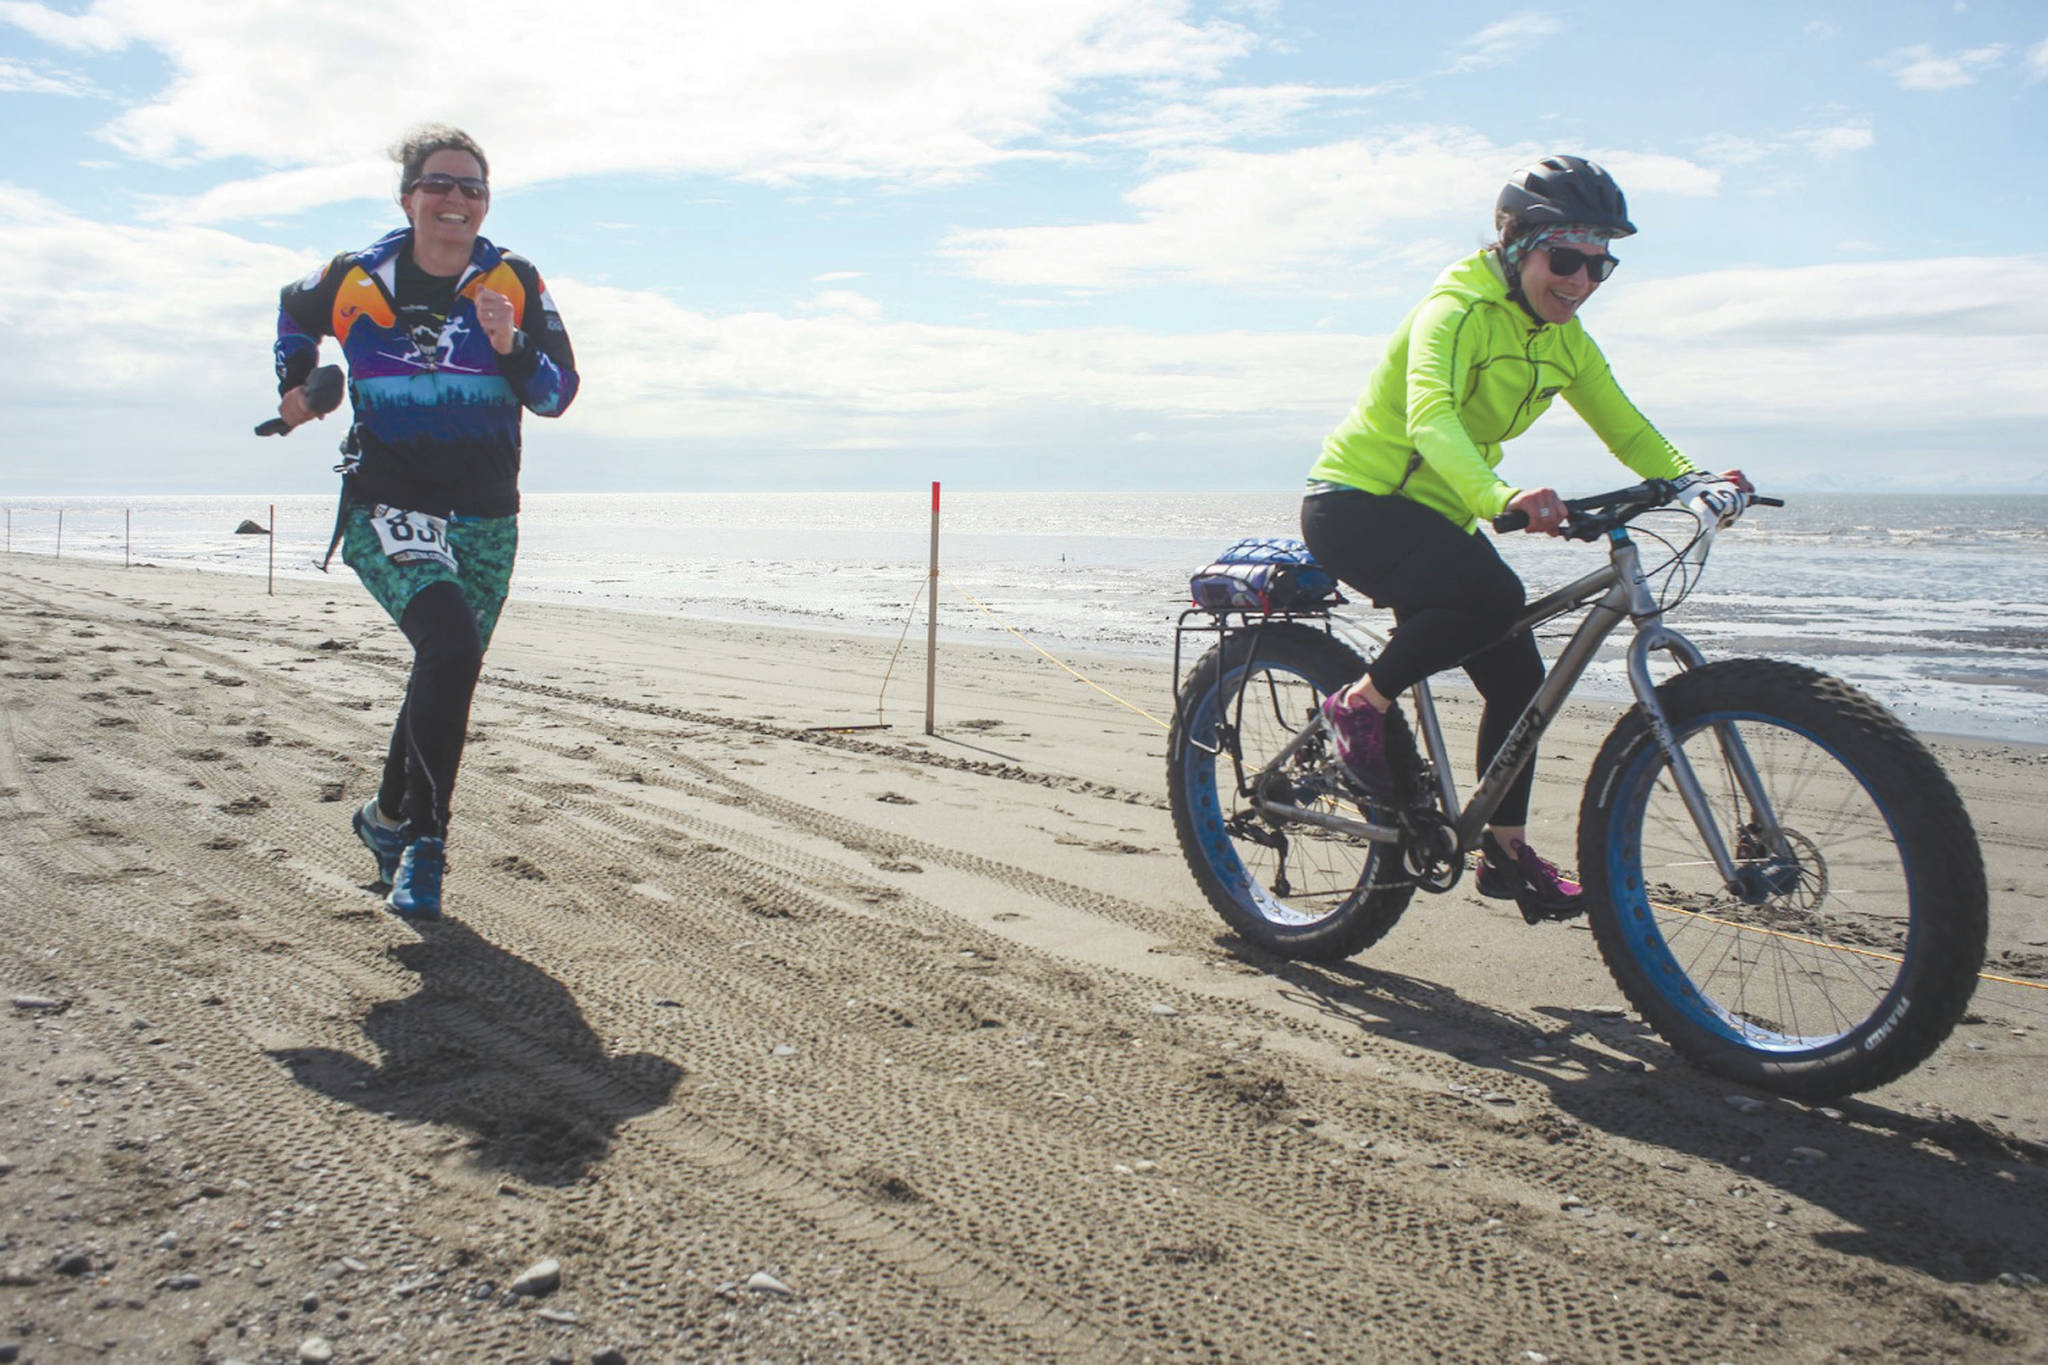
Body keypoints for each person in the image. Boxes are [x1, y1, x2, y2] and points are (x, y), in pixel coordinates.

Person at [1299, 154, 1746, 924]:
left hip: (1438, 515)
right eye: (1564, 258)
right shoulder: (1457, 310)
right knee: (1491, 594)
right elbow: (1429, 416)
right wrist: (1499, 496)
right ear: (1515, 244)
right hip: (1355, 503)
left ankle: (1503, 854)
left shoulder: (1565, 340)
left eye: (1600, 265)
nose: (1580, 280)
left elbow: (1627, 426)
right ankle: (1359, 705)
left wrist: (1696, 480)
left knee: (1516, 677)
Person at [272, 125, 579, 920]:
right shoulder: (352, 277)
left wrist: (510, 344)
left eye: (472, 187)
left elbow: (554, 395)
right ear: (408, 196)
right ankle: (426, 844)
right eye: (439, 184)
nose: (455, 199)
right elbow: (292, 313)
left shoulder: (513, 279)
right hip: (388, 502)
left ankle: (383, 820)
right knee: (449, 645)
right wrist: (299, 383)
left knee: (449, 662)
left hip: (484, 513)